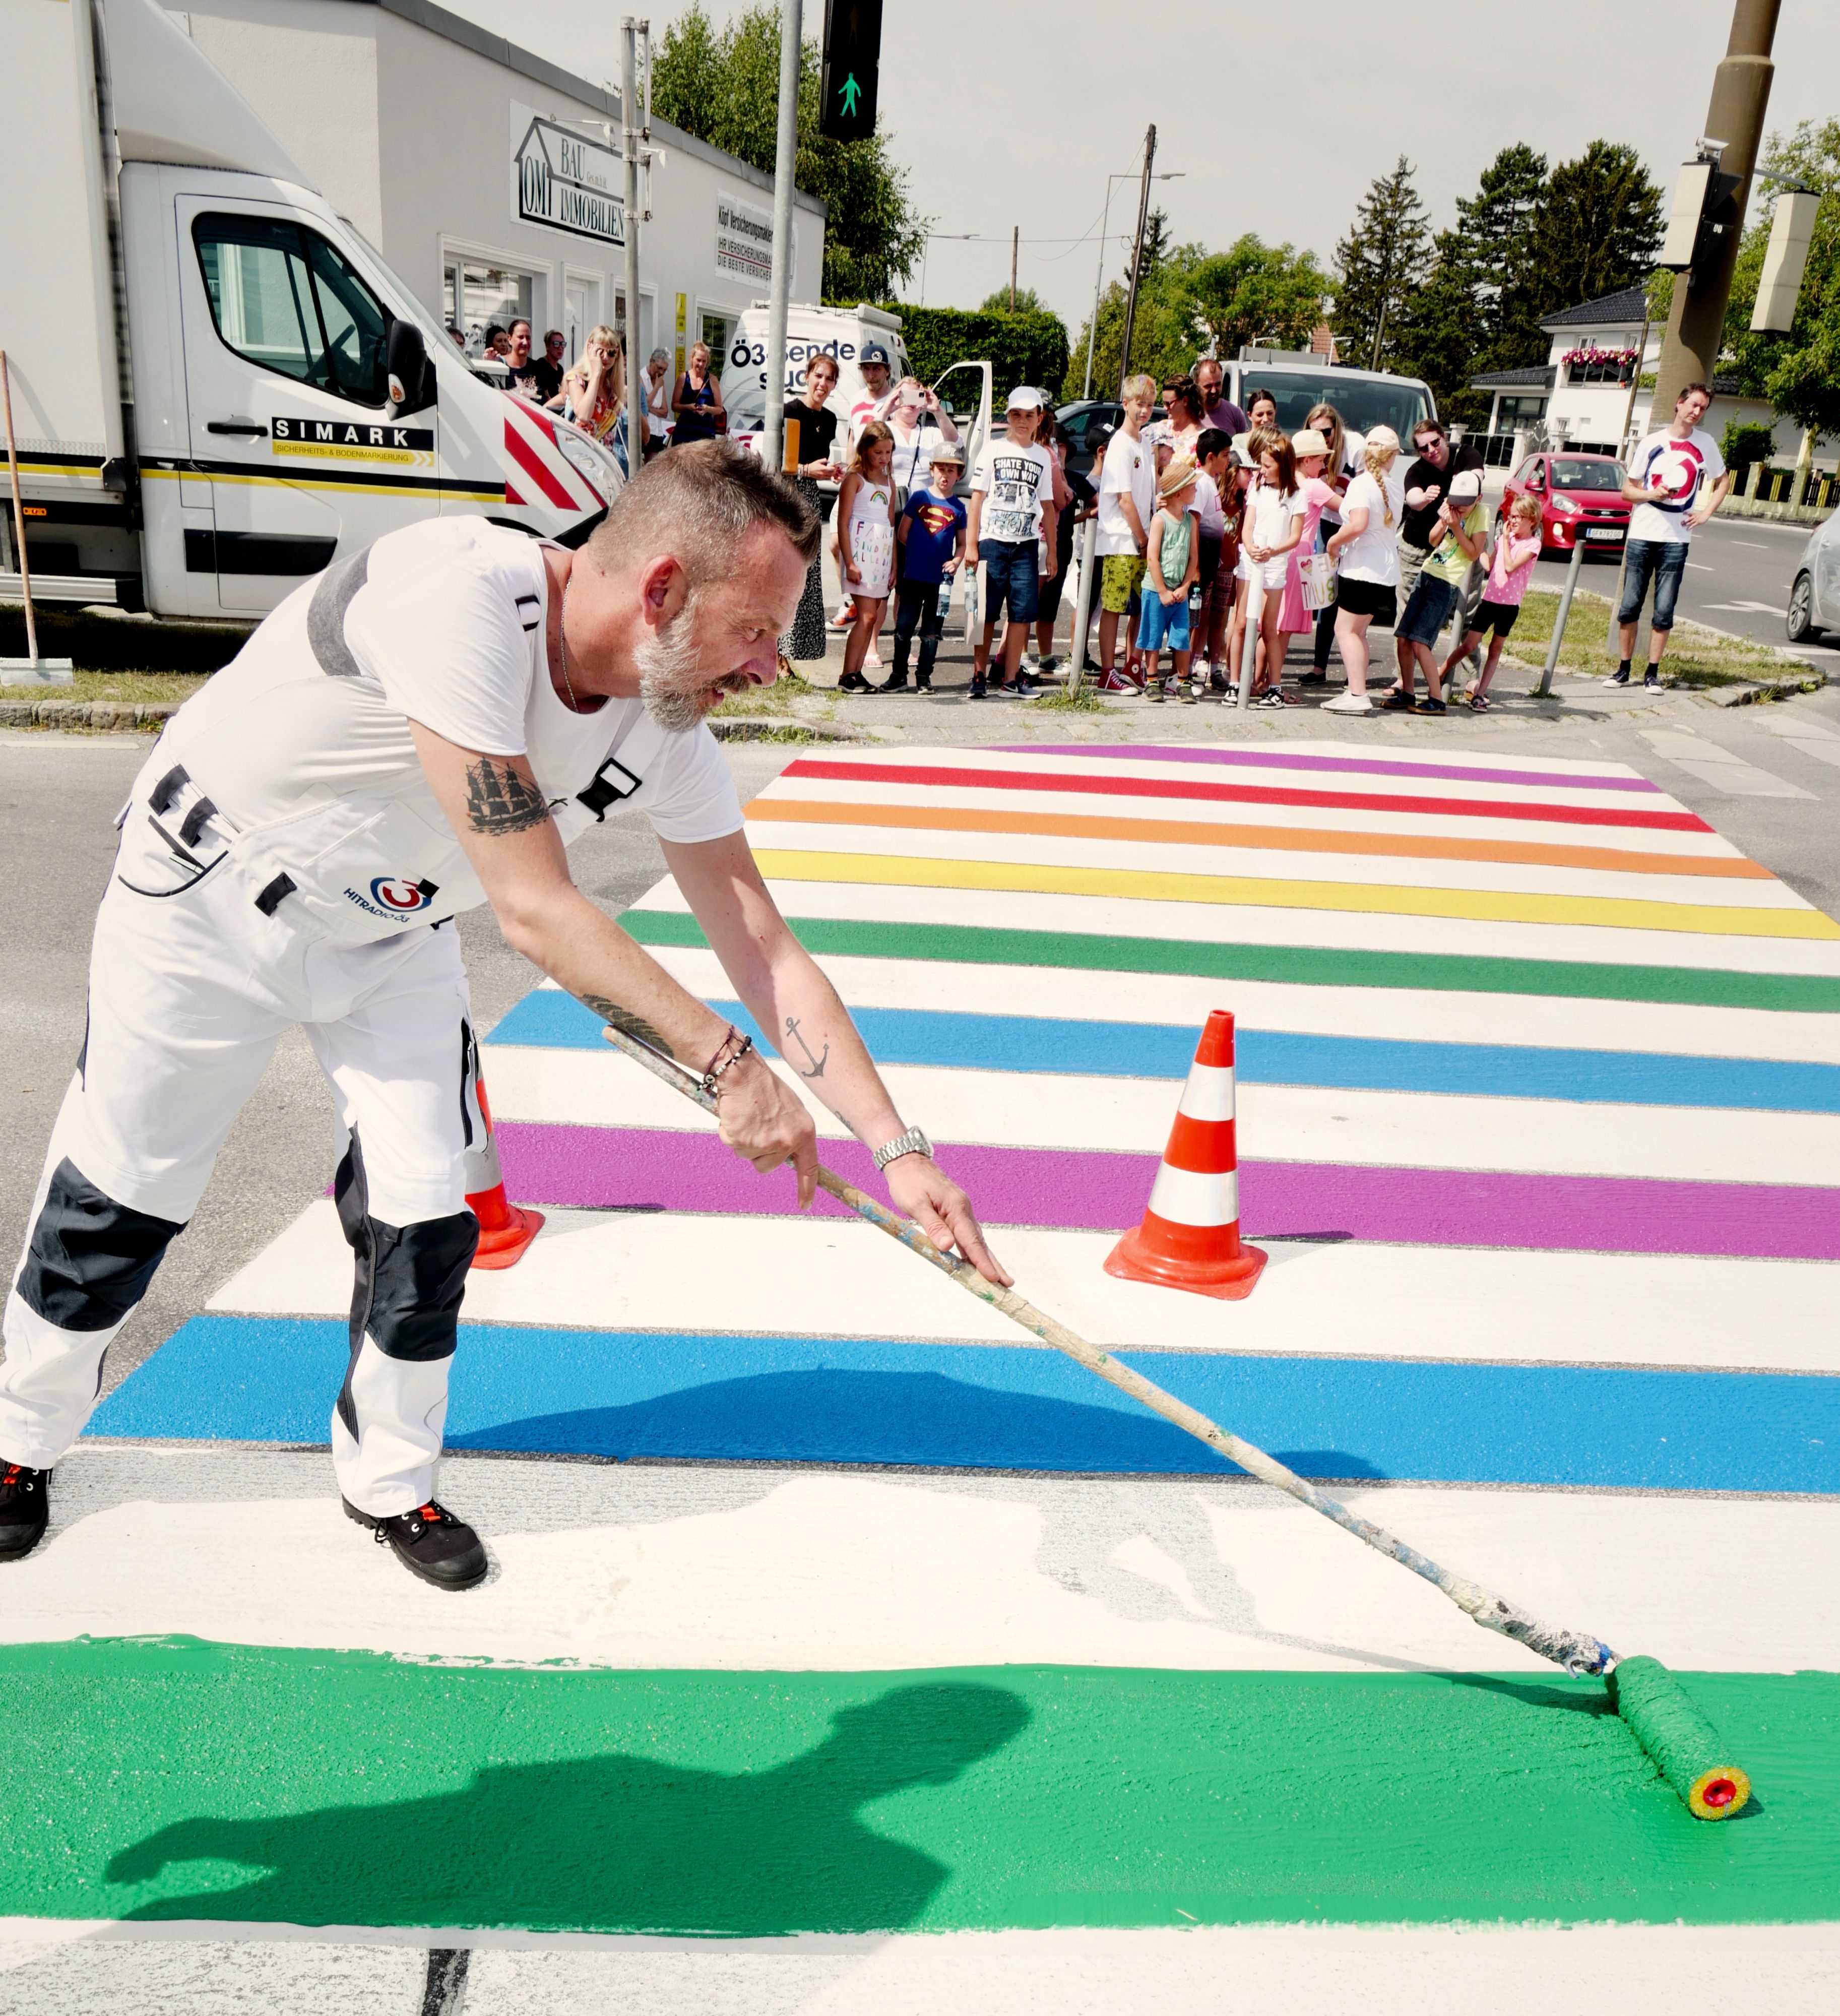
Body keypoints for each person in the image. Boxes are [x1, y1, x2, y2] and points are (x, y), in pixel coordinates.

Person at [0, 444, 1009, 1579]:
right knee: (123, 1198)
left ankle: (390, 1482)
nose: (771, 666)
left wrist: (899, 1147)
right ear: (664, 586)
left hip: (391, 931)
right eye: (758, 629)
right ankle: (16, 1442)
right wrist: (729, 1068)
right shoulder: (459, 598)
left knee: (428, 1217)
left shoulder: (662, 727)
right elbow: (535, 907)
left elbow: (763, 945)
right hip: (209, 894)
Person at [1615, 382, 1731, 688]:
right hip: (1643, 533)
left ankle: (1652, 674)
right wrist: (1653, 493)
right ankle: (1623, 669)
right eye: (1693, 404)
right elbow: (1627, 490)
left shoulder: (1706, 444)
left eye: (1703, 408)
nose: (1696, 412)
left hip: (1677, 539)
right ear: (1679, 404)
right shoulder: (1652, 442)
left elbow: (1723, 480)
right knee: (1630, 606)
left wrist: (1705, 514)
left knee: (1664, 610)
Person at [966, 387, 1058, 700]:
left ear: (1038, 419)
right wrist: (971, 545)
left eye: (1029, 415)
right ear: (1007, 417)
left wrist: (1053, 553)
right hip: (992, 541)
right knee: (986, 613)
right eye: (1016, 415)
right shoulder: (992, 449)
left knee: (1022, 614)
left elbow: (1047, 507)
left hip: (1026, 545)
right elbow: (977, 500)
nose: (1022, 421)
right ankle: (978, 675)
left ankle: (1010, 679)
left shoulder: (1043, 456)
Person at [1387, 468, 1487, 716]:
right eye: (1456, 502)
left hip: (1447, 583)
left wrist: (1458, 527)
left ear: (1479, 499)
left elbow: (1474, 554)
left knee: (1421, 642)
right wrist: (1444, 522)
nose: (1459, 508)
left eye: (1465, 504)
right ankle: (1409, 692)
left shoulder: (1482, 515)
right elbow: (1433, 541)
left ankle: (1436, 698)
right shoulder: (1449, 508)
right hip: (1428, 572)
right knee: (1403, 637)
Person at [1394, 418, 1484, 688]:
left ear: (1444, 438)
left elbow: (1477, 476)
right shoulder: (1417, 471)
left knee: (1466, 611)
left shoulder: (1465, 454)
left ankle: (1472, 678)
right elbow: (1412, 499)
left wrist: (1467, 481)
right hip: (1419, 547)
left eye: (1435, 442)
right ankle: (1404, 680)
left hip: (1459, 546)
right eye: (1424, 448)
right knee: (1407, 617)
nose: (1431, 450)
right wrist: (1424, 498)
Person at [1321, 425, 1404, 715]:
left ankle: (1357, 693)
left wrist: (1332, 542)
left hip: (1362, 569)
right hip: (1383, 569)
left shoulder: (1362, 484)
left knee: (1345, 631)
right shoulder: (1394, 484)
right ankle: (1356, 688)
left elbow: (1358, 524)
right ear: (1391, 456)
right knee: (1359, 632)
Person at [1442, 491, 1542, 711]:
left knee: (1496, 649)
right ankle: (1441, 672)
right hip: (1490, 601)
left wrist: (1505, 541)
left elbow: (1510, 566)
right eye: (1511, 516)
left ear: (1532, 520)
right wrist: (1477, 545)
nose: (1512, 521)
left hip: (1509, 606)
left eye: (1518, 517)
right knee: (1468, 644)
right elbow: (1489, 565)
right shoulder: (1504, 541)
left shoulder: (1533, 545)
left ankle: (1480, 693)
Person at [889, 442, 968, 693]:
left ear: (959, 474)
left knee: (932, 633)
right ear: (932, 470)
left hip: (941, 581)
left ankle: (924, 676)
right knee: (903, 628)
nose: (946, 475)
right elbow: (903, 533)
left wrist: (956, 561)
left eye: (952, 470)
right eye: (941, 468)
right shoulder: (919, 498)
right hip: (914, 575)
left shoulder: (959, 508)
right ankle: (899, 675)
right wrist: (916, 555)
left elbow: (963, 544)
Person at [780, 353, 844, 662]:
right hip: (788, 497)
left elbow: (819, 464)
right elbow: (777, 465)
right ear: (807, 376)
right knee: (786, 573)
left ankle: (796, 653)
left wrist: (831, 472)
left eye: (829, 378)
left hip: (812, 499)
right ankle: (777, 654)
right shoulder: (790, 412)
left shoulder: (829, 419)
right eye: (819, 376)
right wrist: (807, 471)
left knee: (808, 574)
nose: (823, 383)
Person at [1095, 375, 1157, 692]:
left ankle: (1133, 665)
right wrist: (1144, 539)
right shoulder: (1120, 444)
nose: (1144, 410)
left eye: (1149, 404)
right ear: (1126, 404)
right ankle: (1108, 670)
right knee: (1115, 605)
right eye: (1139, 404)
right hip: (1122, 538)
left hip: (1142, 539)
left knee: (1141, 605)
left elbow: (1148, 495)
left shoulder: (1144, 442)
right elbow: (1125, 499)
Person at [1241, 428, 1305, 707]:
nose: (1262, 470)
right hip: (1251, 562)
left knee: (1270, 627)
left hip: (1276, 566)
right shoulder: (1257, 487)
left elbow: (1295, 537)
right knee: (1243, 623)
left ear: (1283, 464)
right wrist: (1250, 546)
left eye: (1267, 465)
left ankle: (1275, 687)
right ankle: (1240, 683)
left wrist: (1272, 551)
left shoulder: (1296, 495)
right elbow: (1248, 526)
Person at [1302, 402, 1364, 685]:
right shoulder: (1312, 452)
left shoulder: (1355, 446)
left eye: (1326, 431)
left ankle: (1355, 672)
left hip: (1355, 522)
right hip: (1329, 520)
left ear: (1337, 428)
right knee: (1327, 594)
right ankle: (1319, 666)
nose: (1322, 438)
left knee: (1353, 593)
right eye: (1315, 432)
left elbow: (1366, 486)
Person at [836, 422, 899, 695]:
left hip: (880, 560)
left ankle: (856, 673)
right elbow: (842, 521)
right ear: (865, 450)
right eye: (878, 453)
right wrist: (849, 562)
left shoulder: (890, 483)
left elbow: (890, 524)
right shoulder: (855, 479)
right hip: (859, 557)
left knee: (871, 619)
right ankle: (847, 675)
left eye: (888, 452)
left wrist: (894, 564)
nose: (884, 458)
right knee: (867, 615)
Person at [1020, 405, 1077, 675]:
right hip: (1042, 537)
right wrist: (1064, 484)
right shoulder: (1047, 456)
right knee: (1029, 602)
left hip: (1027, 535)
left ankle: (1030, 657)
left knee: (1031, 601)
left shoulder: (1025, 452)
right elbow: (1062, 498)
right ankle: (1019, 658)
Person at [1138, 456, 1200, 702]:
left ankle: (1183, 682)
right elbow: (1152, 559)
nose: (1196, 490)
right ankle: (1152, 681)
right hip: (1156, 590)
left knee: (1182, 637)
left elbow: (1193, 559)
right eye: (1192, 487)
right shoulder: (1160, 520)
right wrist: (1163, 590)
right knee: (1153, 635)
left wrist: (1185, 586)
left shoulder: (1191, 521)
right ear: (1178, 493)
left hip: (1179, 592)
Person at [1190, 428, 1235, 693]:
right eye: (1225, 455)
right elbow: (1194, 523)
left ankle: (1213, 668)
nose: (1228, 461)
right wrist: (1195, 564)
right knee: (1197, 616)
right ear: (1210, 456)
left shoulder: (1212, 481)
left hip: (1213, 560)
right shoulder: (1200, 482)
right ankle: (1189, 671)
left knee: (1212, 615)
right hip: (1202, 559)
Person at [559, 326, 638, 476]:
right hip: (578, 461)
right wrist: (596, 374)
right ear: (590, 349)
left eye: (611, 352)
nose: (606, 357)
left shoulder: (614, 388)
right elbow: (583, 414)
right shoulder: (576, 379)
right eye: (600, 351)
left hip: (605, 465)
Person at [671, 341, 726, 446]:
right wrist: (688, 407)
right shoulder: (683, 378)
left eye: (704, 361)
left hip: (705, 434)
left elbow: (719, 409)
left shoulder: (713, 380)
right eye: (699, 360)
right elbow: (674, 406)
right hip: (684, 433)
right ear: (692, 358)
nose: (701, 364)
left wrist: (707, 409)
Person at [1192, 357, 1249, 439]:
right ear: (1196, 385)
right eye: (1208, 386)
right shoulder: (1187, 412)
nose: (1214, 391)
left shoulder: (1236, 414)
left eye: (1218, 384)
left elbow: (1242, 448)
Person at [643, 349, 673, 460]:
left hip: (656, 431)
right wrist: (656, 388)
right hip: (644, 428)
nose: (661, 372)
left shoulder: (661, 381)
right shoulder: (641, 377)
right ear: (651, 361)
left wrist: (649, 408)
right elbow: (644, 405)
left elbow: (665, 412)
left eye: (665, 370)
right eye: (659, 368)